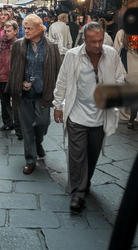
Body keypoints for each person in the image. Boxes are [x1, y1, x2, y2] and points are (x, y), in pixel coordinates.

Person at [53, 22, 125, 212]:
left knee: (92, 155)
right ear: (84, 40)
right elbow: (61, 81)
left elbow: (120, 78)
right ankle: (78, 192)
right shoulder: (72, 56)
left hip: (100, 116)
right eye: (92, 41)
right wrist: (58, 105)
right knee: (76, 156)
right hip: (76, 115)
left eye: (100, 40)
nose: (97, 45)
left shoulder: (111, 54)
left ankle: (85, 182)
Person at [7, 14, 62, 175]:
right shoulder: (18, 45)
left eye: (29, 28)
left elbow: (59, 71)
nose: (26, 31)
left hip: (44, 93)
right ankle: (30, 160)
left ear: (40, 29)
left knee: (42, 124)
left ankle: (38, 143)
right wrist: (21, 82)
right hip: (25, 95)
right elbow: (15, 69)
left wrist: (60, 96)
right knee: (27, 128)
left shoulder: (52, 47)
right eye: (25, 28)